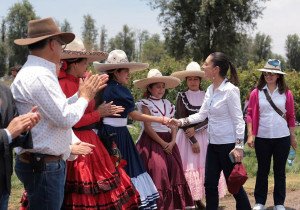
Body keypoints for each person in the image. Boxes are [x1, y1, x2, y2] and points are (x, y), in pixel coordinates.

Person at [10, 17, 107, 210]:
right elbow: (65, 118)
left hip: (42, 163)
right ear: (53, 44)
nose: (63, 49)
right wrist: (85, 98)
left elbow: (56, 109)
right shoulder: (40, 75)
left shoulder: (37, 72)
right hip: (44, 165)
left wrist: (79, 96)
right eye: (62, 44)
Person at [58, 38, 140, 209]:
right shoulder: (63, 84)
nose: (87, 67)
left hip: (90, 138)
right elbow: (72, 120)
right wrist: (99, 113)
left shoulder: (82, 81)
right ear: (74, 64)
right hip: (75, 140)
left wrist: (100, 108)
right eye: (85, 63)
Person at [169, 52, 251, 210]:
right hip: (212, 145)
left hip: (228, 147)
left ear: (216, 69)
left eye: (206, 64)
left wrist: (239, 146)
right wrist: (179, 121)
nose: (203, 67)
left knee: (234, 185)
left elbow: (239, 121)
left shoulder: (230, 90)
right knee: (210, 185)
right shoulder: (210, 90)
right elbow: (202, 115)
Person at [93, 50, 171, 209]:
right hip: (118, 135)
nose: (128, 74)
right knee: (127, 170)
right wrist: (159, 119)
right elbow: (134, 115)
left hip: (107, 132)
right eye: (125, 70)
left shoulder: (105, 87)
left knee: (113, 171)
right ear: (116, 72)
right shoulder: (118, 89)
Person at [134, 68, 194, 209]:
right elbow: (148, 127)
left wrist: (173, 141)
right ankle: (157, 205)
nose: (161, 90)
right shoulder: (145, 103)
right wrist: (163, 143)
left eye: (162, 87)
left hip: (169, 141)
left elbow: (173, 124)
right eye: (157, 87)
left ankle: (171, 205)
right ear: (150, 88)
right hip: (152, 141)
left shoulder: (168, 104)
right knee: (158, 170)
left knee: (174, 171)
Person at [171, 61, 227, 209]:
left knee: (205, 168)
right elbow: (181, 117)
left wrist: (197, 129)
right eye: (190, 79)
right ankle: (191, 201)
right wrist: (192, 139)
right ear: (186, 80)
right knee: (189, 167)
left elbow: (210, 116)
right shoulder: (182, 96)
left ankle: (201, 200)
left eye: (196, 79)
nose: (193, 82)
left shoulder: (207, 94)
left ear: (200, 80)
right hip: (186, 138)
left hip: (205, 136)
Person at [246, 59, 297, 210]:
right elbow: (249, 115)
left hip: (282, 137)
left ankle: (279, 203)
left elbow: (291, 116)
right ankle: (260, 202)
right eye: (267, 73)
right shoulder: (256, 93)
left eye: (273, 74)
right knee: (263, 170)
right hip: (262, 137)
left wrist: (292, 136)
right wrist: (250, 134)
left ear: (279, 76)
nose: (269, 76)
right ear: (263, 75)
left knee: (279, 172)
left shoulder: (287, 93)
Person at [0, 82, 40, 210]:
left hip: (2, 184)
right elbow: (8, 133)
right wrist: (7, 133)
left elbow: (12, 136)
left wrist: (23, 126)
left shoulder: (5, 90)